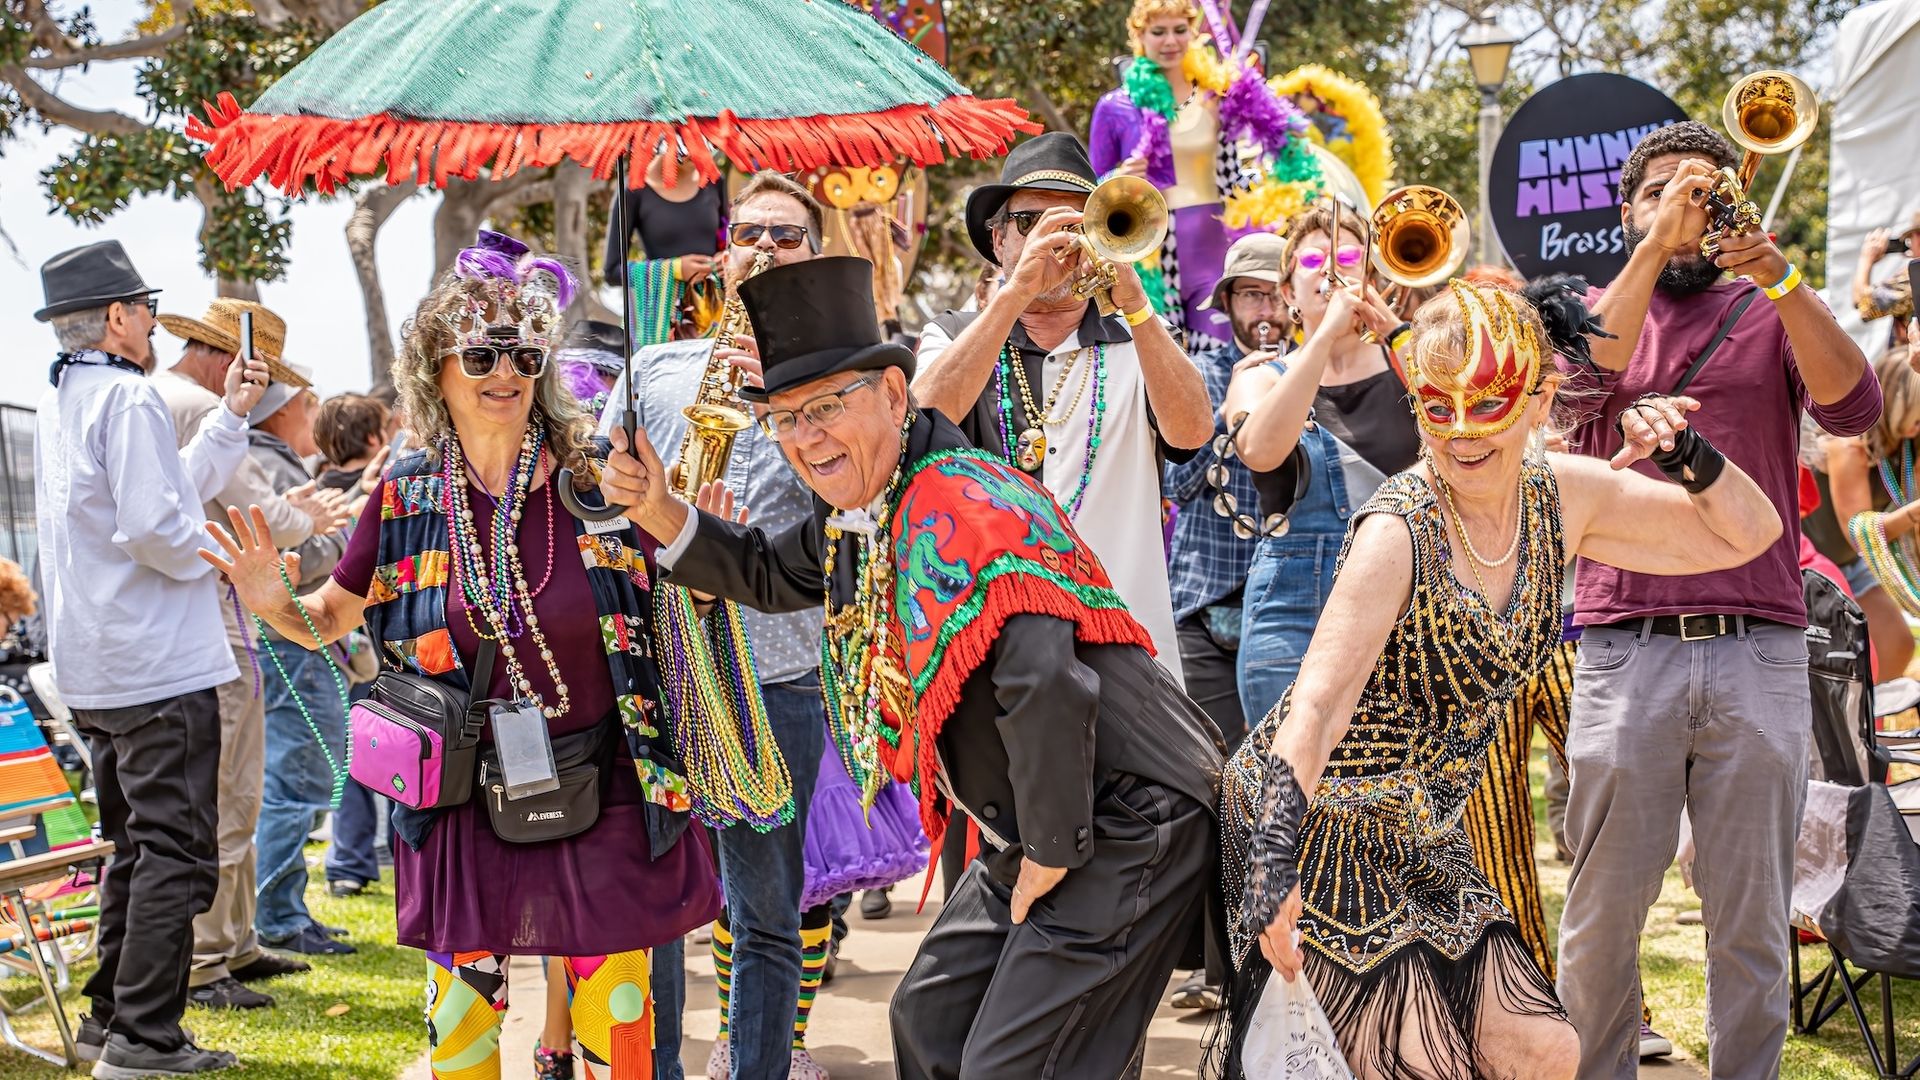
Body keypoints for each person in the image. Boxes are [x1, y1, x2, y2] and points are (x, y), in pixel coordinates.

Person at [600, 255, 1224, 1079]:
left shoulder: (967, 501)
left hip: (1125, 816)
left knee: (1017, 1062)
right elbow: (761, 570)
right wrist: (657, 509)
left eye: (825, 407)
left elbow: (1044, 682)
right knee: (929, 1016)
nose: (806, 436)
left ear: (896, 396)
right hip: (1052, 810)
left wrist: (1050, 852)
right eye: (785, 419)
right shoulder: (865, 514)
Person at [1218, 278, 1783, 1080]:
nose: (1461, 432)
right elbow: (1317, 703)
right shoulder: (1401, 524)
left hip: (1424, 825)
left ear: (1540, 396)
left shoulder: (1564, 497)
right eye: (1436, 407)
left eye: (1488, 403)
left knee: (1545, 1051)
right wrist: (1275, 859)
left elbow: (1747, 535)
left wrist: (1685, 455)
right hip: (1318, 816)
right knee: (1416, 1062)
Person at [207, 230, 721, 1080]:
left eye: (522, 352)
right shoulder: (407, 492)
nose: (504, 373)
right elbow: (330, 617)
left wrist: (696, 548)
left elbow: (677, 600)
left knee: (619, 1022)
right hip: (459, 797)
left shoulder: (599, 477)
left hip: (607, 780)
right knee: (463, 1026)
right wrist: (272, 605)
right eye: (479, 355)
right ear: (434, 371)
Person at [1553, 120, 1878, 1080]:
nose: (1685, 205)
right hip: (1624, 642)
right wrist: (1661, 242)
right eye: (1659, 190)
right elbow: (1578, 385)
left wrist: (1778, 273)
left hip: (1761, 643)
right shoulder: (1596, 307)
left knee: (1752, 920)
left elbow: (1852, 410)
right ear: (1626, 211)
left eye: (1703, 190)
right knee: (1603, 918)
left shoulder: (1767, 303)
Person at [601, 170, 836, 1080]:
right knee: (655, 907)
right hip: (659, 678)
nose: (767, 248)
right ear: (720, 255)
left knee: (765, 912)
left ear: (817, 256)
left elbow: (860, 505)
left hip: (776, 679)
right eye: (752, 232)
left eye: (788, 235)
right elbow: (598, 509)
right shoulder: (651, 369)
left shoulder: (843, 381)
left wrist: (790, 395)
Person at [34, 240, 269, 1076]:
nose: (150, 322)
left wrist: (233, 415)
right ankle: (142, 1035)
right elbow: (157, 528)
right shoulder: (124, 399)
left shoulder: (72, 395)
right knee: (176, 851)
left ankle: (113, 1019)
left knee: (135, 846)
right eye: (143, 308)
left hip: (102, 663)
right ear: (121, 318)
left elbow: (163, 490)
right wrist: (225, 557)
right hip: (154, 663)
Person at [914, 132, 1214, 681]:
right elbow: (921, 421)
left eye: (1076, 223)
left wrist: (1137, 305)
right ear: (998, 240)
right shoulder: (951, 336)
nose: (1055, 238)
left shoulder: (1141, 337)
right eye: (1030, 222)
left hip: (1127, 648)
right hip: (985, 648)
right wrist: (1018, 291)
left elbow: (1193, 432)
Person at [151, 298, 342, 1011]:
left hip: (209, 627)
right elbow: (263, 516)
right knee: (229, 795)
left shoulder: (165, 398)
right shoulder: (199, 408)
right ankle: (209, 958)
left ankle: (232, 943)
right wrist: (310, 519)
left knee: (237, 792)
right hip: (213, 633)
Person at [1159, 231, 1288, 1012]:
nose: (1264, 309)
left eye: (1275, 294)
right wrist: (1237, 406)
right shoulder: (1201, 370)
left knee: (1281, 786)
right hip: (1206, 608)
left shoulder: (1318, 367)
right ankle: (1220, 971)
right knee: (1216, 790)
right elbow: (1180, 479)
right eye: (1249, 295)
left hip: (1289, 610)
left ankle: (1278, 964)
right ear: (1229, 305)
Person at [1221, 203, 1411, 721]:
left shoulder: (1411, 367)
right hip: (1291, 612)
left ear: (1371, 279)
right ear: (1288, 295)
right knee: (1286, 792)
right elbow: (1259, 449)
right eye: (1313, 263)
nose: (1331, 272)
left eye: (1348, 257)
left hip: (1404, 610)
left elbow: (1461, 415)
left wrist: (1391, 327)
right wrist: (1324, 335)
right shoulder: (1260, 375)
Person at [1087, 0, 1310, 350]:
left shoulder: (1217, 95)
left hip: (1214, 244)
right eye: (1158, 32)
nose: (1170, 41)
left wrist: (1285, 179)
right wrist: (1119, 176)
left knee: (1223, 356)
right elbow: (1091, 186)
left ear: (1194, 34)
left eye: (1180, 31)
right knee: (1159, 356)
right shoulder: (1116, 106)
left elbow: (1275, 136)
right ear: (1138, 36)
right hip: (1149, 248)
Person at [241, 374, 361, 959]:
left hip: (296, 636)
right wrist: (348, 543)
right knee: (295, 781)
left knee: (299, 778)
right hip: (294, 638)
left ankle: (285, 910)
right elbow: (287, 561)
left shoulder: (270, 463)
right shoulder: (268, 466)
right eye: (308, 404)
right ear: (284, 411)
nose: (315, 416)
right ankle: (280, 917)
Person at [312, 392, 396, 899]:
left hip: (331, 648)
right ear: (373, 438)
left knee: (349, 751)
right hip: (370, 646)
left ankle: (349, 858)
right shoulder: (388, 489)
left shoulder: (317, 494)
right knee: (386, 746)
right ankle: (367, 852)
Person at [1814, 347, 1920, 678]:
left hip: (1848, 563)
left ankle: (1869, 724)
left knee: (1898, 644)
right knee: (1836, 661)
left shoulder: (1907, 445)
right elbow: (1859, 532)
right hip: (1810, 562)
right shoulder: (1849, 444)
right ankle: (1848, 724)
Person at [1852, 212, 1918, 347]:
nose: (1909, 244)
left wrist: (1866, 259)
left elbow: (1864, 304)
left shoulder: (1912, 277)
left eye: (1911, 238)